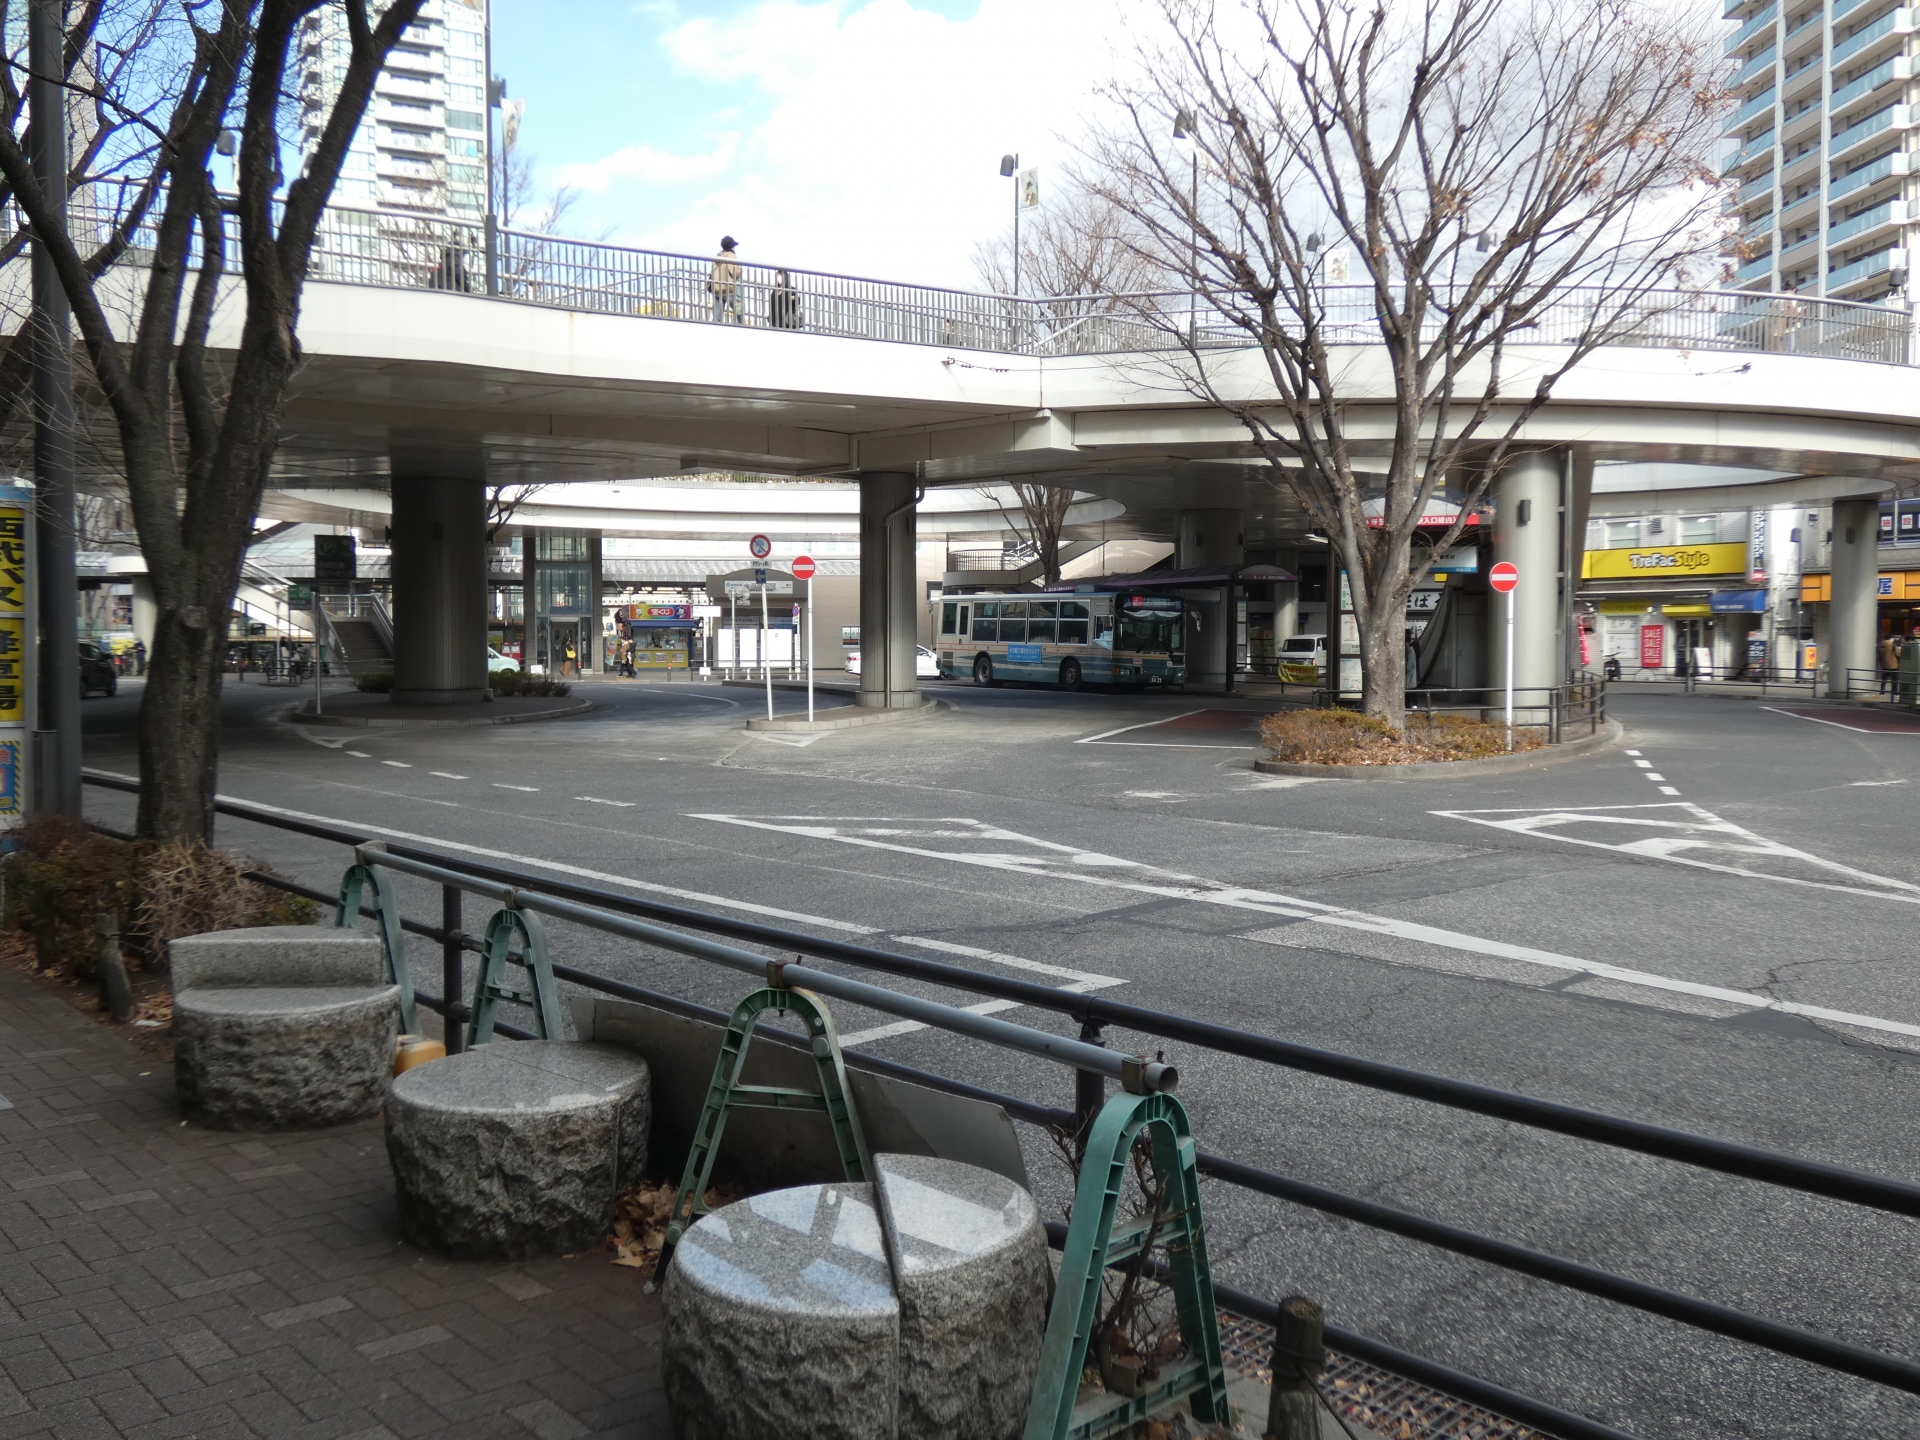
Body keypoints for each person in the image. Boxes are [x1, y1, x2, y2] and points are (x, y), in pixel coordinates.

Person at [709, 236, 743, 324]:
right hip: (730, 290)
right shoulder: (731, 256)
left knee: (717, 318)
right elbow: (735, 272)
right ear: (731, 246)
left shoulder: (717, 257)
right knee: (740, 311)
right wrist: (740, 271)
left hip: (717, 290)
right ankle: (744, 327)